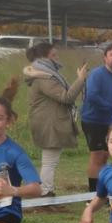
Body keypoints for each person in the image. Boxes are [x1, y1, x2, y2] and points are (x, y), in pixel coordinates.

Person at [22, 42, 87, 197]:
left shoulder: (43, 74)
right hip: (49, 123)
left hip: (48, 121)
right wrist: (81, 79)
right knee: (49, 161)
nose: (57, 58)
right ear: (44, 58)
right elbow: (66, 97)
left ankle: (46, 190)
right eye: (54, 55)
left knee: (50, 160)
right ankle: (45, 191)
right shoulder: (45, 77)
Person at [80, 43, 112, 192]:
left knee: (105, 156)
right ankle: (92, 195)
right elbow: (92, 96)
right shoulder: (97, 74)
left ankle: (102, 191)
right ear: (105, 58)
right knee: (97, 156)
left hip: (109, 122)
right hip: (93, 121)